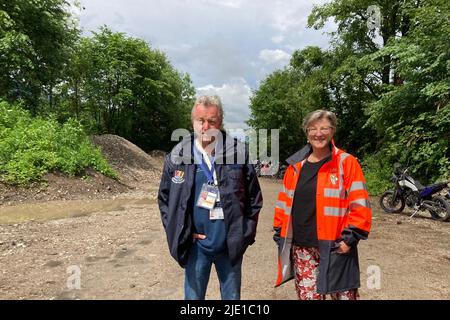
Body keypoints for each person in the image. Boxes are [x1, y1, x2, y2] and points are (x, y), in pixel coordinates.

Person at [158, 95, 263, 300]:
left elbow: (254, 198)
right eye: (201, 120)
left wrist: (244, 234)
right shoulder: (178, 154)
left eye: (212, 121)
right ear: (193, 122)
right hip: (196, 247)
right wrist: (181, 231)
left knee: (232, 299)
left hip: (230, 245)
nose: (206, 126)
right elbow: (165, 199)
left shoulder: (237, 151)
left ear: (220, 122)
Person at [273, 109, 372, 300]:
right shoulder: (295, 167)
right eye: (313, 129)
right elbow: (283, 203)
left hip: (336, 246)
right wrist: (280, 233)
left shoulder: (347, 163)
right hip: (302, 248)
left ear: (332, 131)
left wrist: (349, 239)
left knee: (344, 297)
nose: (318, 133)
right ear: (306, 133)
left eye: (324, 128)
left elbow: (360, 204)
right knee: (308, 297)